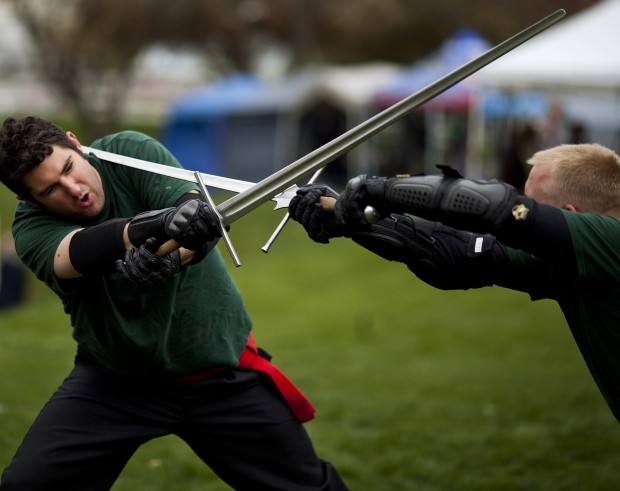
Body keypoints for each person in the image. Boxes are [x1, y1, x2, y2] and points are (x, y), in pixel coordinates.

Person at [0, 116, 348, 491]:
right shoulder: (31, 229)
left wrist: (175, 250)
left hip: (217, 366)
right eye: (52, 188)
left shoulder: (130, 153)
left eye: (69, 167)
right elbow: (76, 254)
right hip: (116, 383)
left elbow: (194, 211)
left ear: (75, 142)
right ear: (27, 198)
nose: (74, 189)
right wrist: (151, 228)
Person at [289, 143, 620, 424]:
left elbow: (492, 207)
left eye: (534, 201)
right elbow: (453, 256)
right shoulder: (562, 262)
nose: (526, 203)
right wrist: (352, 221)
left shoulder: (612, 242)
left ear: (570, 215)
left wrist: (378, 189)